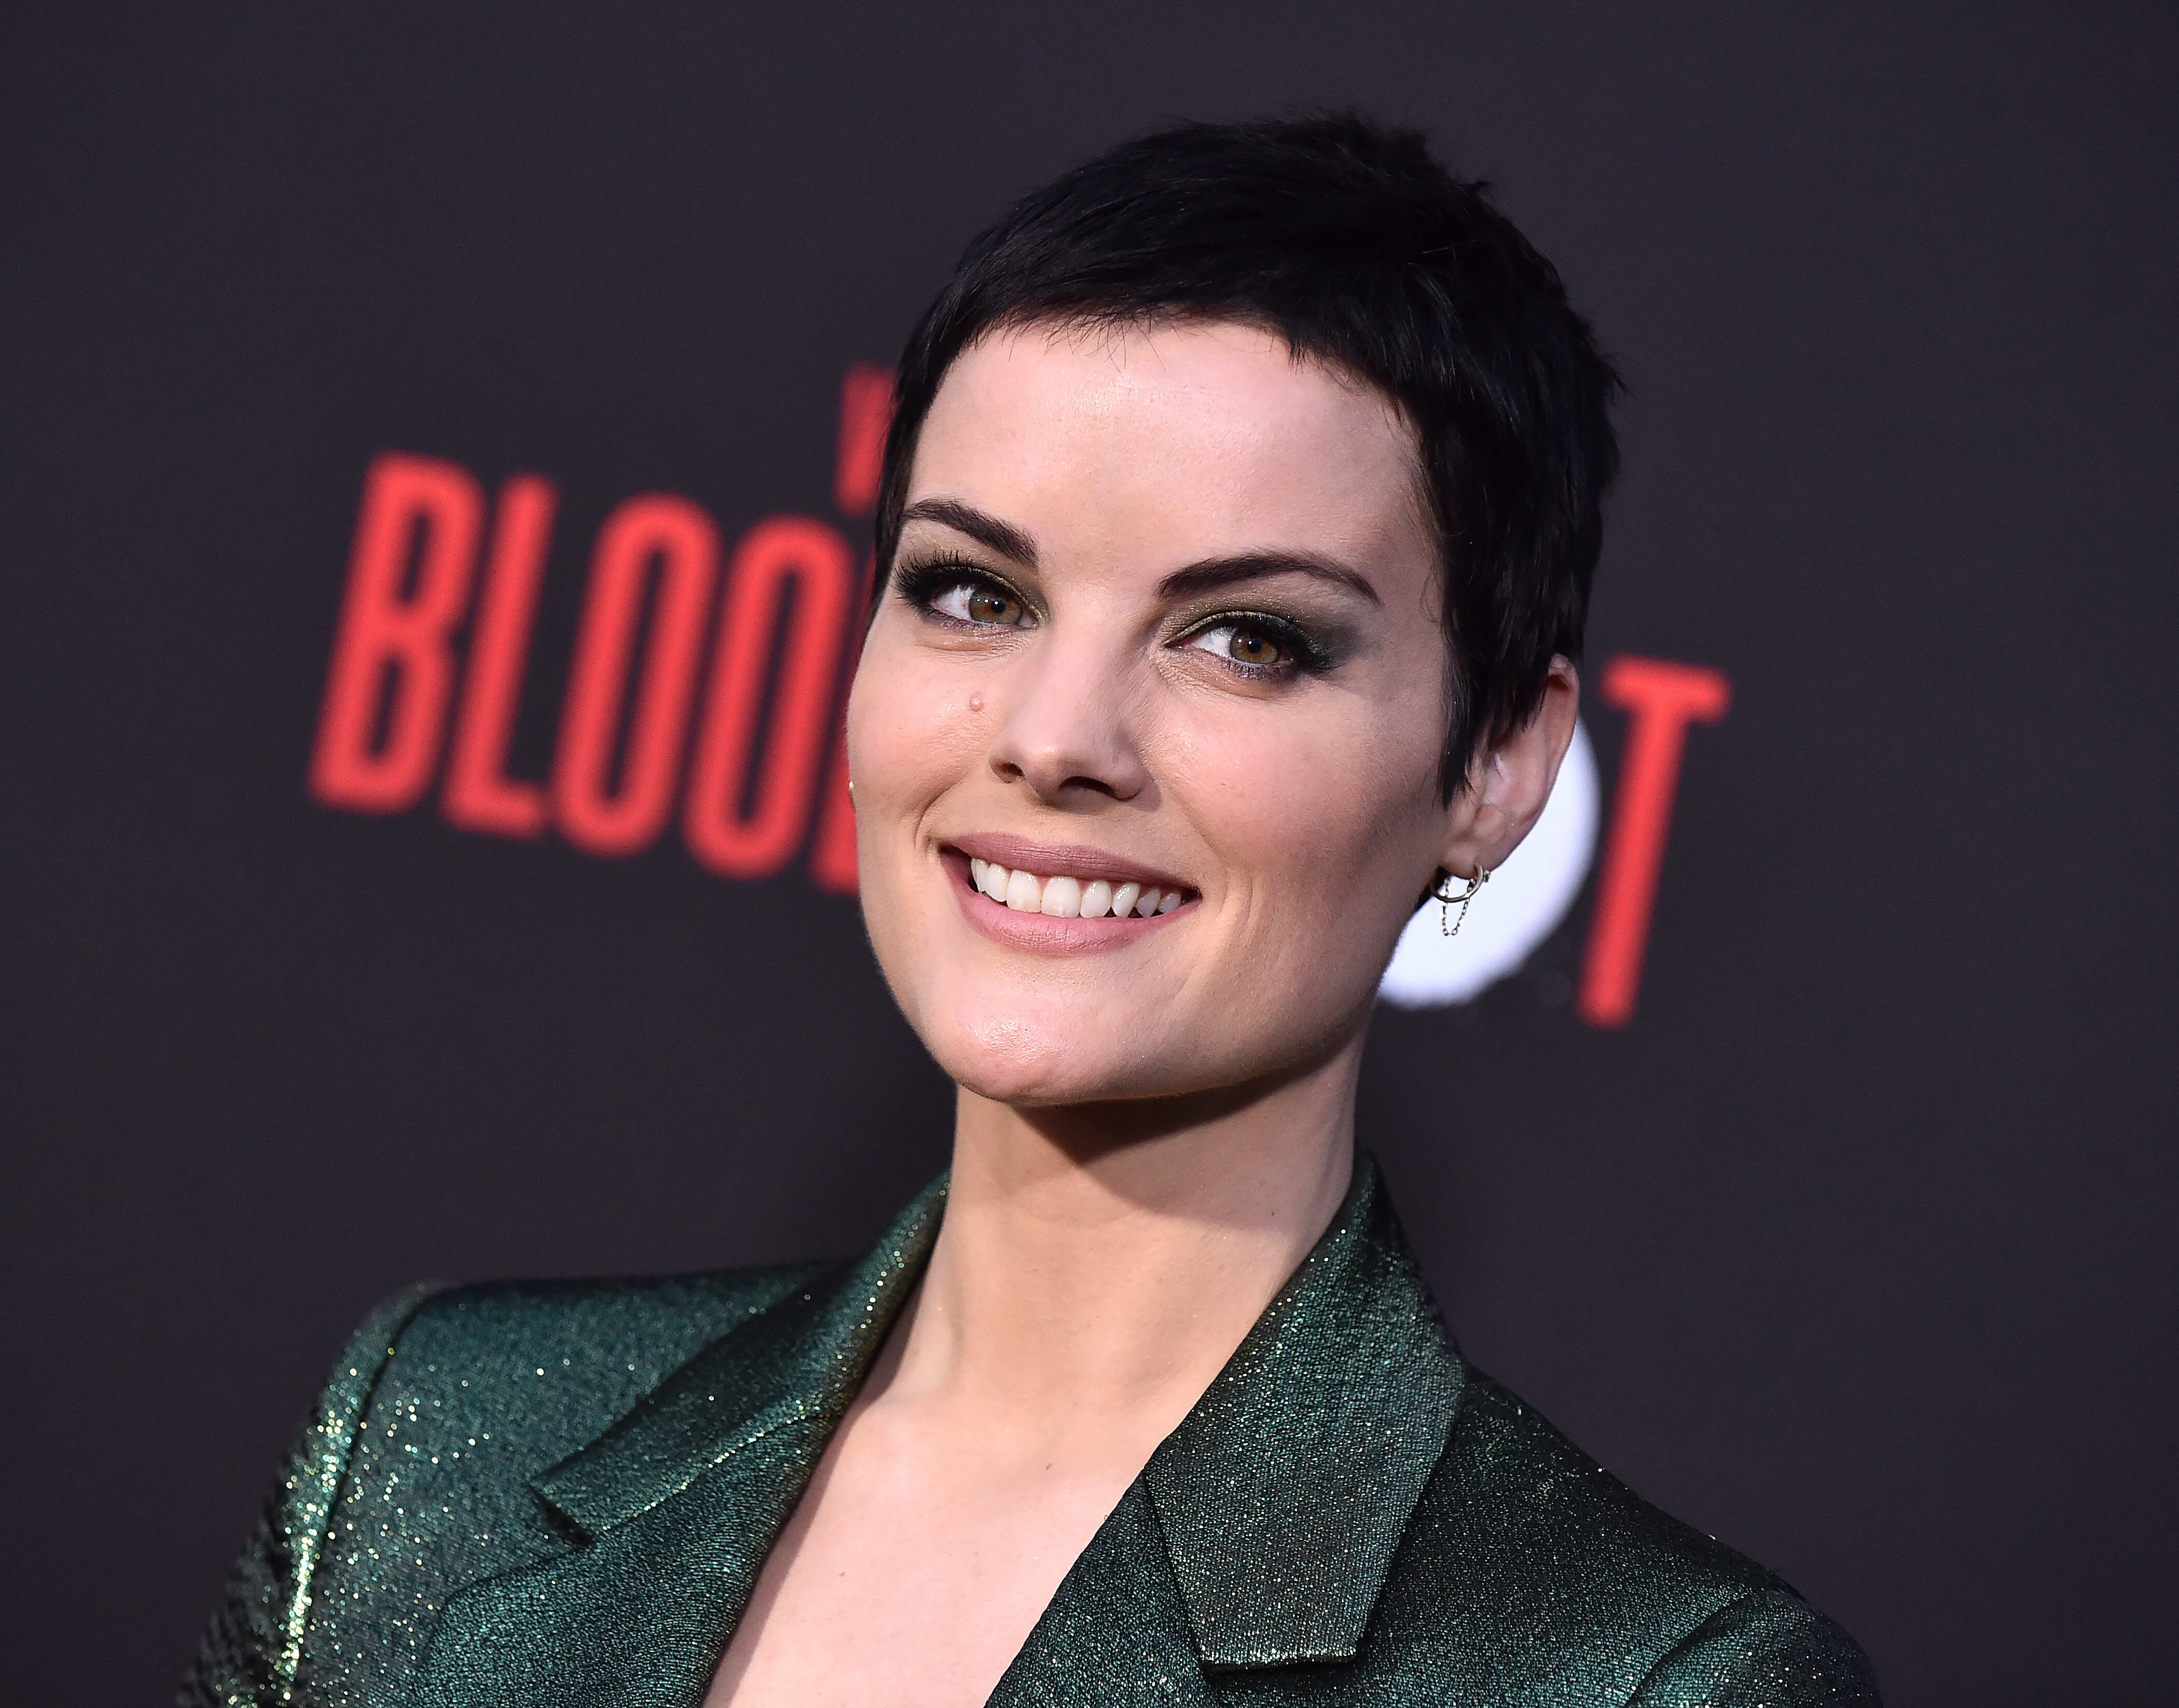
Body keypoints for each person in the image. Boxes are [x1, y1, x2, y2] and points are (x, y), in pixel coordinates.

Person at [184, 114, 1877, 1708]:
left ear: (1497, 763)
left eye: (1247, 637)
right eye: (973, 592)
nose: (1056, 737)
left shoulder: (1654, 1678)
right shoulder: (433, 1442)